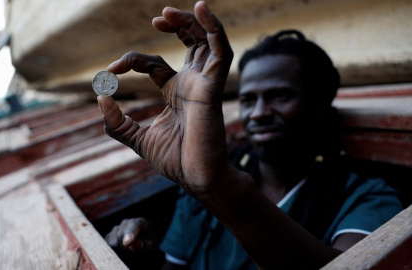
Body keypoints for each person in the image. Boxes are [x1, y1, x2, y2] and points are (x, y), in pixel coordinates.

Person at [98, 2, 403, 269]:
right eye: (247, 100)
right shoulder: (202, 174)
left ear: (320, 105)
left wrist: (220, 190)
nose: (258, 112)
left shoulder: (366, 197)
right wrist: (146, 258)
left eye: (279, 96)